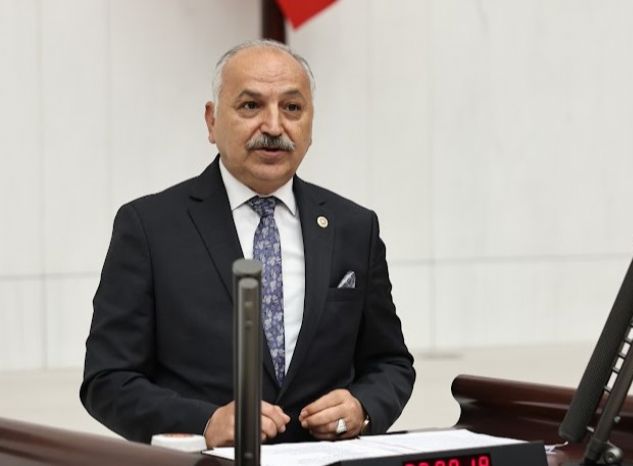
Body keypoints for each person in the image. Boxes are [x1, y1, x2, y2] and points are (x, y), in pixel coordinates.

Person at [80, 39, 415, 447]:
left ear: (311, 123)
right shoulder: (149, 227)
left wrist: (362, 408)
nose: (274, 127)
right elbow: (107, 379)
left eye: (292, 108)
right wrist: (204, 423)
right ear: (212, 121)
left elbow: (390, 362)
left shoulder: (354, 227)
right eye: (251, 106)